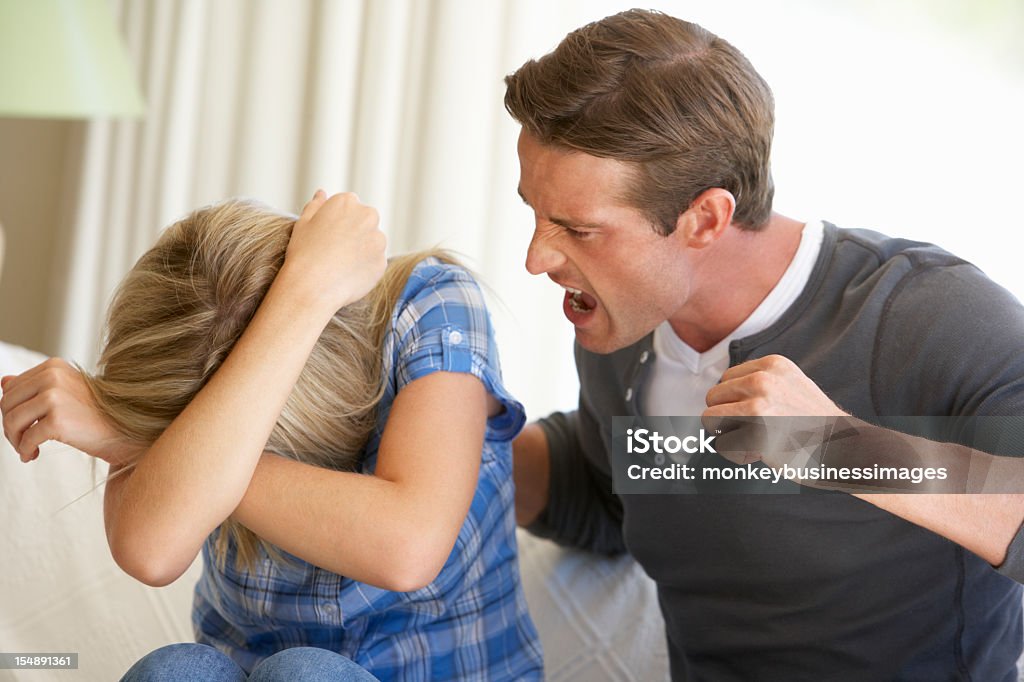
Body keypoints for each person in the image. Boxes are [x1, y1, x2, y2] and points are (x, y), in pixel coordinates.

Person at [504, 9, 1024, 681]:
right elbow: (621, 489)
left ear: (706, 219)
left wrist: (841, 449)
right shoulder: (618, 334)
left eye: (578, 229)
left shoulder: (927, 318)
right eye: (535, 212)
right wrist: (467, 453)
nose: (537, 257)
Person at [0, 194, 542, 680]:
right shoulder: (187, 354)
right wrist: (187, 438)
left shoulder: (432, 304)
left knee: (308, 674)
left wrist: (305, 293)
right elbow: (150, 551)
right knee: (176, 672)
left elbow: (407, 548)